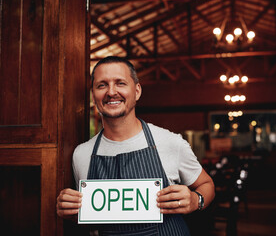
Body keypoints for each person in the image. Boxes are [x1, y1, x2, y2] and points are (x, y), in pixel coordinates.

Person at [56, 56, 215, 235]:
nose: (111, 92)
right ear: (93, 95)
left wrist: (196, 200)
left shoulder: (171, 142)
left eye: (120, 83)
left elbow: (207, 184)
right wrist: (70, 211)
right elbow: (89, 219)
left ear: (137, 91)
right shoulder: (81, 154)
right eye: (102, 85)